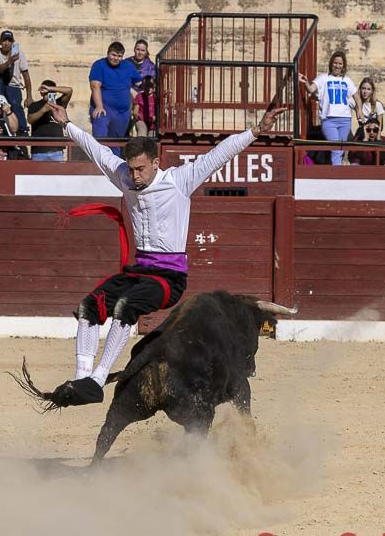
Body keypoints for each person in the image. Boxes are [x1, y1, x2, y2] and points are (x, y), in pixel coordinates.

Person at [38, 97, 285, 405]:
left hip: (169, 277)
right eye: (131, 170)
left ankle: (98, 379)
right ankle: (81, 379)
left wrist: (256, 131)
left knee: (124, 307)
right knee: (91, 305)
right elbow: (98, 152)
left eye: (141, 169)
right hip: (139, 270)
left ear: (156, 163)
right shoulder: (125, 176)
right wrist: (67, 125)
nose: (135, 176)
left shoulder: (179, 181)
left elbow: (219, 155)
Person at [301, 50, 356, 165]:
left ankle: (336, 171)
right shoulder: (323, 78)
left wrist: (359, 110)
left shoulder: (347, 80)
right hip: (329, 120)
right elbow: (311, 89)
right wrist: (306, 82)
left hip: (345, 119)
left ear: (343, 66)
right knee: (336, 147)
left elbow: (356, 96)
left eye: (340, 64)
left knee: (341, 149)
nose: (337, 66)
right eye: (335, 63)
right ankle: (337, 175)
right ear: (331, 63)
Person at [88, 41, 142, 142]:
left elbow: (140, 83)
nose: (116, 58)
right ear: (108, 53)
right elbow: (95, 86)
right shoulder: (99, 65)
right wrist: (99, 106)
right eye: (113, 55)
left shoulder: (128, 66)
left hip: (123, 112)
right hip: (104, 109)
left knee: (116, 143)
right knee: (100, 141)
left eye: (119, 56)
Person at [0, 30, 31, 134]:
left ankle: (22, 130)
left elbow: (26, 75)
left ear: (13, 42)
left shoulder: (20, 55)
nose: (6, 43)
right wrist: (9, 62)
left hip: (13, 85)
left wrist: (29, 96)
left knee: (15, 105)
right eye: (4, 40)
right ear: (0, 42)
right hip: (0, 84)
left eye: (9, 41)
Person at [27, 80, 73, 161]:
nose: (47, 95)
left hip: (56, 150)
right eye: (45, 93)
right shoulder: (34, 105)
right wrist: (43, 110)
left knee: (58, 173)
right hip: (38, 151)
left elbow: (69, 91)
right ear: (41, 93)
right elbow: (30, 120)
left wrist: (49, 88)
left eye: (50, 92)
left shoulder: (59, 103)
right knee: (37, 173)